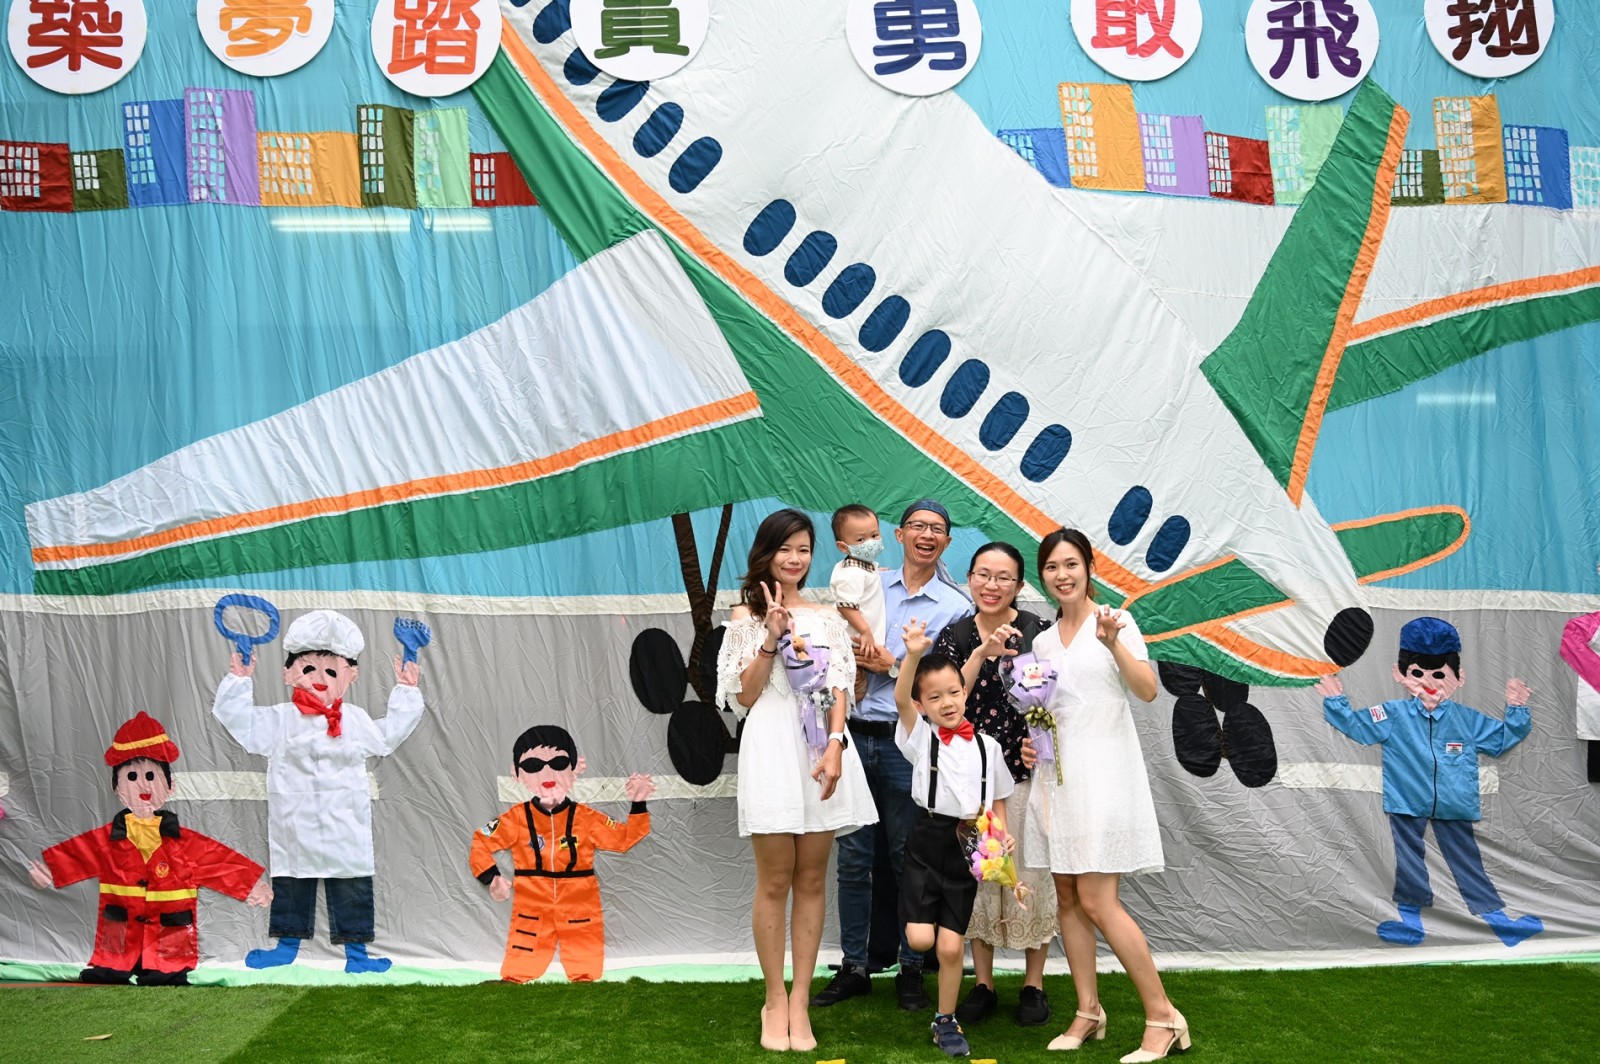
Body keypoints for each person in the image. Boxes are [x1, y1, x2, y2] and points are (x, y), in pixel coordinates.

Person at [715, 508, 879, 1052]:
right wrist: (771, 635)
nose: (795, 558)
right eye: (785, 548)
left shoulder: (829, 617)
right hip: (770, 747)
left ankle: (802, 1000)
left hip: (820, 751)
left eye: (804, 549)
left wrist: (835, 746)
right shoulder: (744, 616)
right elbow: (743, 696)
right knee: (774, 881)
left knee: (812, 879)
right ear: (766, 554)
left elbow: (839, 689)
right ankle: (774, 1000)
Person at [1029, 529, 1188, 1062]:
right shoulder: (1042, 643)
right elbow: (1046, 713)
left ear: (1089, 567)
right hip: (1057, 780)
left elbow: (1147, 689)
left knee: (1099, 899)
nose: (1062, 575)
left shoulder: (1117, 620)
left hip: (1105, 775)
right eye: (1052, 567)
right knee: (1067, 897)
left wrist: (1112, 641)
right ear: (1042, 576)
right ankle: (1088, 1010)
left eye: (1071, 564)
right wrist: (1033, 744)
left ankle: (1163, 1016)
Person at [816, 499, 973, 1013]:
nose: (927, 535)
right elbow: (835, 639)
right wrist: (859, 660)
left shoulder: (955, 606)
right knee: (853, 857)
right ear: (899, 535)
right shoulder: (868, 582)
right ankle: (854, 965)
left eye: (937, 529)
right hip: (853, 736)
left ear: (946, 542)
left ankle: (910, 967)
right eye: (917, 527)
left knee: (911, 857)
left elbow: (943, 682)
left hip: (908, 742)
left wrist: (888, 664)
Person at [213, 608, 425, 974]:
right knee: (292, 882)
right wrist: (239, 679)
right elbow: (240, 723)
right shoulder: (279, 719)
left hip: (345, 822)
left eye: (331, 671)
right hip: (294, 824)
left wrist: (406, 688)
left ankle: (357, 956)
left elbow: (388, 735)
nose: (320, 678)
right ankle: (286, 948)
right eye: (309, 669)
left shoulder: (354, 720)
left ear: (351, 676)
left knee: (352, 884)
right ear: (288, 674)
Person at [1318, 616, 1542, 947]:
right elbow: (1358, 727)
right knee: (1409, 864)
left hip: (1454, 804)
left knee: (1467, 864)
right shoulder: (1392, 714)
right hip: (1406, 801)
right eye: (1418, 674)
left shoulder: (1466, 720)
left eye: (1439, 675)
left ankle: (1502, 926)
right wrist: (1336, 700)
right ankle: (1411, 925)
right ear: (1400, 675)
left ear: (1459, 678)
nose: (1429, 683)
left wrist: (1517, 708)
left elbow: (1501, 739)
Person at [28, 712, 271, 985]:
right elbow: (79, 853)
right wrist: (50, 870)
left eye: (151, 776)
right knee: (107, 974)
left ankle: (163, 970)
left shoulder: (184, 842)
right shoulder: (106, 840)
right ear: (116, 787)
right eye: (132, 776)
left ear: (170, 786)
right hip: (120, 936)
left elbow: (217, 861)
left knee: (167, 978)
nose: (143, 785)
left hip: (169, 939)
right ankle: (116, 967)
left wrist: (250, 884)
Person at [933, 542, 1058, 1028]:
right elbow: (946, 698)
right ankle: (983, 983)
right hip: (972, 781)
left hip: (1026, 774)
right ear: (969, 578)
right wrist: (981, 652)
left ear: (1020, 585)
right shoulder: (956, 634)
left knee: (1031, 872)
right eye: (983, 574)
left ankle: (1034, 984)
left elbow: (1057, 700)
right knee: (981, 875)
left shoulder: (1038, 632)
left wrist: (1039, 743)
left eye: (1004, 577)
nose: (992, 585)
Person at [895, 619, 1015, 1057]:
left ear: (966, 692)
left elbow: (997, 797)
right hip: (927, 842)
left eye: (953, 692)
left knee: (950, 947)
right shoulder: (920, 738)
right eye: (934, 697)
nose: (946, 702)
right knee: (921, 940)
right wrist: (912, 655)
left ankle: (945, 1020)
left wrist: (1000, 836)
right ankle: (913, 925)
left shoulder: (987, 746)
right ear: (921, 705)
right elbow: (900, 697)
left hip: (968, 845)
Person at [469, 724, 655, 982]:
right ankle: (512, 982)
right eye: (533, 765)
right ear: (517, 773)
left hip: (579, 895)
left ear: (575, 768)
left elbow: (624, 838)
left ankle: (585, 984)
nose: (547, 773)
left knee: (584, 955)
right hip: (532, 895)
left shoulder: (585, 817)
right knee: (523, 950)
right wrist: (491, 877)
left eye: (558, 763)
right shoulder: (518, 817)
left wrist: (638, 803)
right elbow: (481, 840)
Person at [831, 503, 887, 659]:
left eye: (874, 535)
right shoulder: (852, 574)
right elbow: (845, 606)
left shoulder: (863, 567)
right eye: (861, 539)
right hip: (856, 644)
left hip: (864, 644)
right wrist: (865, 631)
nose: (870, 543)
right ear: (843, 547)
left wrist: (877, 572)